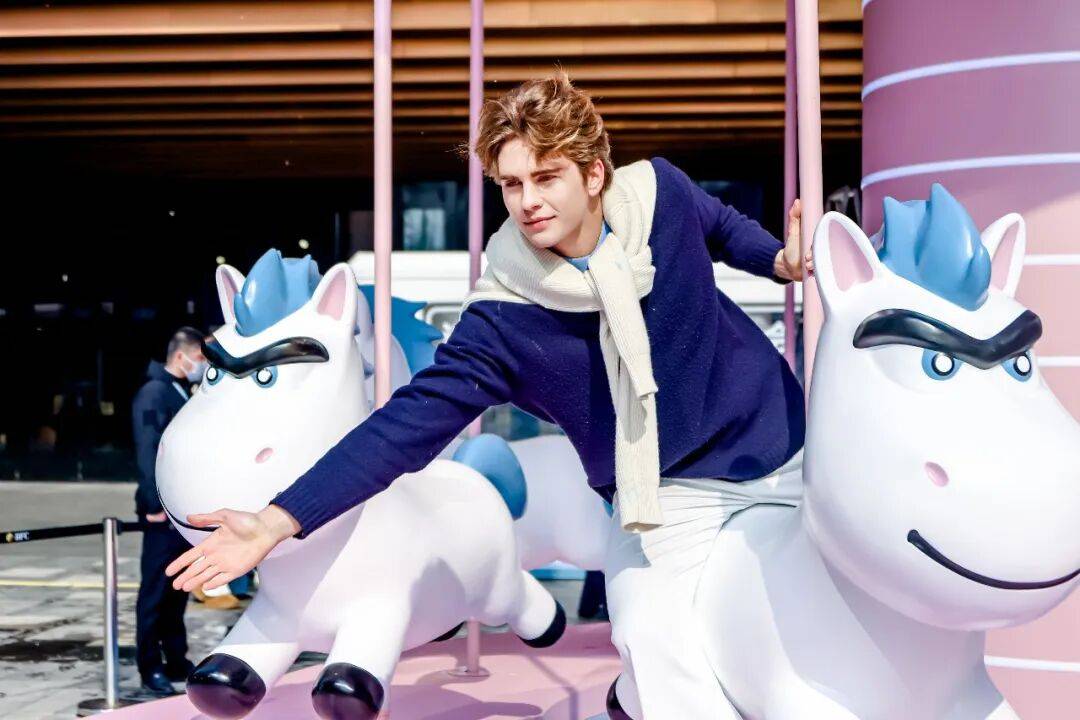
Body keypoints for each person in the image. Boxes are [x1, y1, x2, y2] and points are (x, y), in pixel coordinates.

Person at [167, 73, 808, 719]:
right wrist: (276, 521)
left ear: (594, 174)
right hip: (665, 494)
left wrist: (777, 260)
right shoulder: (503, 317)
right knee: (650, 636)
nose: (528, 201)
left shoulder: (659, 192)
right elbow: (402, 429)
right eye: (511, 184)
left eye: (547, 177)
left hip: (784, 444)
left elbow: (720, 225)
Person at [132, 326, 207, 696]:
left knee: (178, 591)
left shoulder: (178, 391)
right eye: (200, 357)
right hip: (162, 512)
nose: (202, 365)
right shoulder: (154, 393)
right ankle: (150, 667)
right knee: (155, 592)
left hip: (180, 509)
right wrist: (153, 503)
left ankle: (176, 658)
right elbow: (147, 449)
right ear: (181, 356)